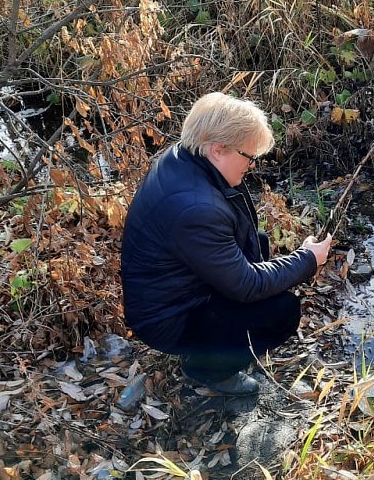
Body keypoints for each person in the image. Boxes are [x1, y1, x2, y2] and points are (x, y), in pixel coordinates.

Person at [121, 92, 332, 396]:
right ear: (218, 149)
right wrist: (308, 260)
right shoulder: (195, 209)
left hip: (174, 290)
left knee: (257, 242)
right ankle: (207, 370)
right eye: (248, 157)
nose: (252, 165)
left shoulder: (184, 158)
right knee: (281, 312)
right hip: (168, 319)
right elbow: (246, 284)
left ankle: (222, 345)